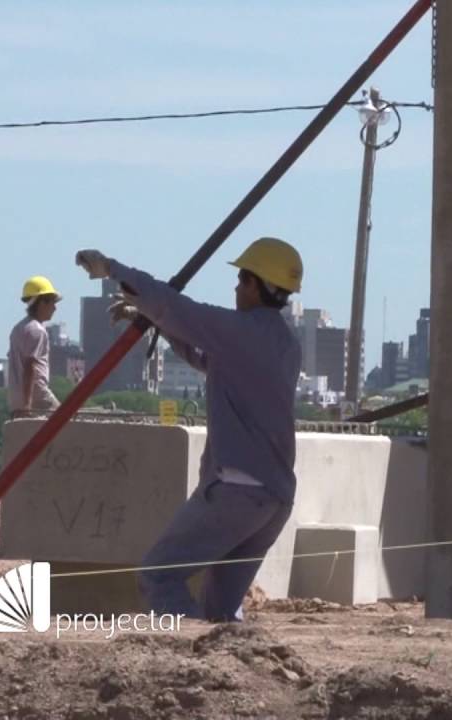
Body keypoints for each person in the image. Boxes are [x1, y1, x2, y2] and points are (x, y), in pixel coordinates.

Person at [74, 237, 302, 621]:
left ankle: (184, 661)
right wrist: (153, 323)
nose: (235, 287)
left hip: (236, 492)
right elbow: (205, 355)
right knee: (221, 609)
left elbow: (176, 308)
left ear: (257, 285)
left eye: (242, 278)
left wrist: (113, 270)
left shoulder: (239, 330)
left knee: (158, 575)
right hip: (274, 499)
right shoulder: (285, 344)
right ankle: (232, 670)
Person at [8, 276, 62, 419]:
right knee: (66, 423)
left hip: (17, 398)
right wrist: (28, 404)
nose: (55, 308)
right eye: (52, 302)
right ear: (41, 302)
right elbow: (29, 366)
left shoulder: (19, 328)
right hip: (37, 396)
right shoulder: (37, 330)